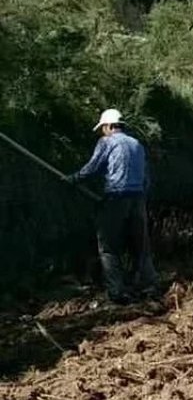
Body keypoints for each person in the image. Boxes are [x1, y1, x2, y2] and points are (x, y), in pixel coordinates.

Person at [68, 108, 157, 305]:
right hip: (138, 199)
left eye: (102, 128)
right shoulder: (137, 145)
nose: (102, 132)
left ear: (108, 126)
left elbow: (93, 167)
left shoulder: (107, 142)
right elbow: (146, 177)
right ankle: (148, 285)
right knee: (140, 246)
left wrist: (73, 179)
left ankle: (117, 291)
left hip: (116, 198)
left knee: (109, 248)